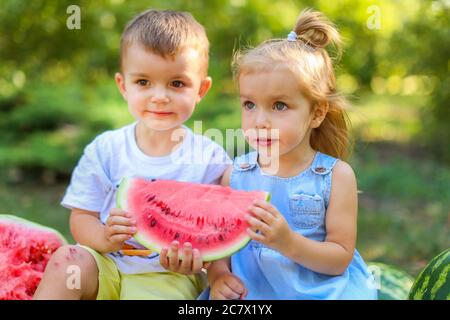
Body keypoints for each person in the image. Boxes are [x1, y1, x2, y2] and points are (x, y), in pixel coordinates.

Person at [34, 9, 231, 300]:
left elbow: (223, 231)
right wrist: (103, 237)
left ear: (201, 89)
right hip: (106, 265)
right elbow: (82, 217)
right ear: (123, 86)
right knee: (68, 261)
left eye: (177, 83)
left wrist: (207, 265)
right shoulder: (105, 149)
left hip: (169, 277)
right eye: (143, 82)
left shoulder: (211, 159)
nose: (160, 96)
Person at [206, 9, 377, 300]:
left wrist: (287, 242)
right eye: (249, 104)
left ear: (316, 113)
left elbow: (339, 259)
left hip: (322, 293)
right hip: (254, 294)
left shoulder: (336, 176)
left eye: (279, 106)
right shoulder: (236, 174)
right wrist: (219, 274)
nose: (260, 120)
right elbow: (218, 244)